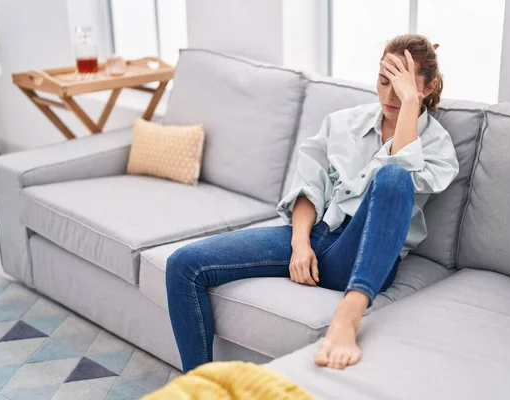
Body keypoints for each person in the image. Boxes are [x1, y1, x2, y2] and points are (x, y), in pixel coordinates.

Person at [166, 34, 459, 372]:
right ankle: (197, 387)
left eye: (401, 87)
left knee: (393, 178)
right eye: (382, 81)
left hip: (364, 254)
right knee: (183, 264)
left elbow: (399, 177)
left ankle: (348, 317)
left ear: (428, 86)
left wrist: (411, 105)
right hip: (316, 236)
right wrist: (300, 243)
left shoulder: (437, 146)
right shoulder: (343, 123)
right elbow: (310, 187)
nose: (389, 95)